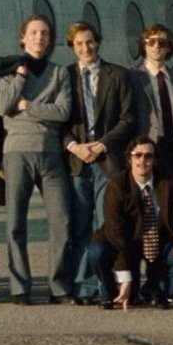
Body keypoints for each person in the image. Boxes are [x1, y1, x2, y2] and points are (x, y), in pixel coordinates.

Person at [0, 14, 73, 305]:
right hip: (17, 151)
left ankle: (58, 286)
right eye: (34, 32)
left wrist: (27, 106)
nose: (40, 37)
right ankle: (19, 286)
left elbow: (63, 112)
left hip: (51, 152)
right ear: (23, 37)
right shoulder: (8, 71)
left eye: (45, 33)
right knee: (16, 221)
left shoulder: (60, 73)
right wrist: (20, 77)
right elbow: (1, 106)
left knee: (61, 221)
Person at [93, 137, 173, 309]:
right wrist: (125, 276)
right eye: (138, 155)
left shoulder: (167, 181)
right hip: (125, 242)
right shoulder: (117, 186)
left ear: (155, 160)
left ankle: (154, 290)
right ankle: (110, 295)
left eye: (148, 156)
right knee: (96, 252)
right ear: (129, 159)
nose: (143, 160)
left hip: (159, 242)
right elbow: (116, 233)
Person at [63, 21, 135, 305]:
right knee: (80, 224)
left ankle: (107, 284)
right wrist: (75, 146)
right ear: (72, 47)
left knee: (106, 224)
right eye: (79, 43)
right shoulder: (65, 76)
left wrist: (102, 144)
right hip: (77, 161)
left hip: (108, 159)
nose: (86, 48)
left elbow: (128, 118)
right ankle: (83, 286)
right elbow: (59, 120)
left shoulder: (118, 75)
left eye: (90, 41)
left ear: (98, 42)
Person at [130, 24, 173, 177]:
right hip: (146, 147)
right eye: (151, 42)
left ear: (169, 48)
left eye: (162, 43)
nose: (156, 46)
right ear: (144, 45)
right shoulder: (132, 76)